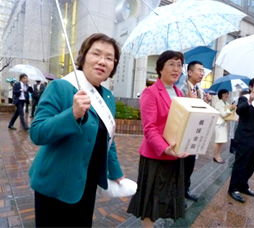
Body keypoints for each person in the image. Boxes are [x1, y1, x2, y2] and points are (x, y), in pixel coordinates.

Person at [28, 33, 125, 227]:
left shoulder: (107, 97)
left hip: (85, 183)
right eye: (96, 54)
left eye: (109, 58)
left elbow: (108, 138)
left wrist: (115, 171)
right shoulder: (61, 87)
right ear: (83, 56)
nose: (102, 61)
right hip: (55, 183)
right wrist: (71, 114)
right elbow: (37, 132)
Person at [127, 50, 191, 227]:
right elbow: (149, 128)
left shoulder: (180, 93)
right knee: (151, 202)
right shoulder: (151, 92)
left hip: (175, 155)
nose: (176, 69)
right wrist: (164, 148)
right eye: (171, 64)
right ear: (160, 68)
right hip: (156, 156)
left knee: (167, 197)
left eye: (179, 65)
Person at [180, 60, 210, 202]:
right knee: (180, 166)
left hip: (194, 133)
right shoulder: (181, 88)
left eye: (203, 71)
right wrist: (187, 100)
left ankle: (186, 190)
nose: (202, 73)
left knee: (190, 164)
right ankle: (177, 196)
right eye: (199, 70)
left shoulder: (200, 90)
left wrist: (206, 103)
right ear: (190, 72)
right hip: (182, 132)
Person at [213, 89, 236, 164]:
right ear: (221, 95)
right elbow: (223, 114)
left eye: (227, 93)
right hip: (219, 124)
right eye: (225, 94)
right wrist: (230, 109)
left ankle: (218, 155)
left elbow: (231, 113)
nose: (227, 95)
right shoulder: (218, 103)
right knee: (218, 141)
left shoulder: (227, 103)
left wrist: (233, 108)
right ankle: (215, 156)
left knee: (222, 141)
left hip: (224, 124)